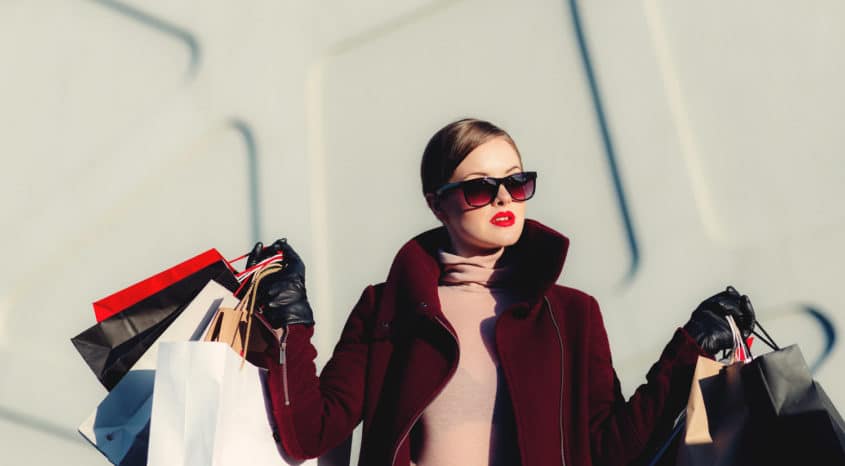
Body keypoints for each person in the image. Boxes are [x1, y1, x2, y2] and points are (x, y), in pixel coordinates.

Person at [245, 118, 756, 466]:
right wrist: (290, 322)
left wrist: (689, 350)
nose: (504, 199)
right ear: (437, 204)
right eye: (479, 188)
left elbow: (607, 449)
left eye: (517, 182)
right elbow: (309, 431)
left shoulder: (572, 314)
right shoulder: (389, 308)